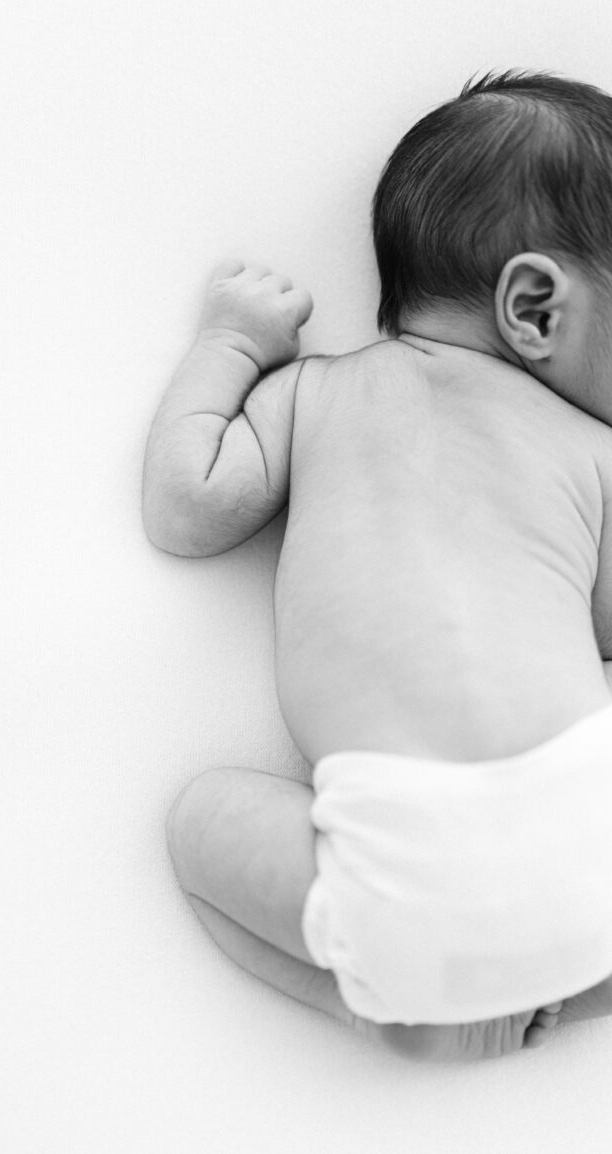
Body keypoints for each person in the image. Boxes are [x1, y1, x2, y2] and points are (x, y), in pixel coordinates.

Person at [141, 70, 612, 1062]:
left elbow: (186, 506)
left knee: (195, 827)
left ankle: (384, 1005)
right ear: (534, 307)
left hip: (398, 895)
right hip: (590, 855)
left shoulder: (313, 395)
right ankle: (561, 982)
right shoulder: (593, 456)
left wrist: (230, 343)